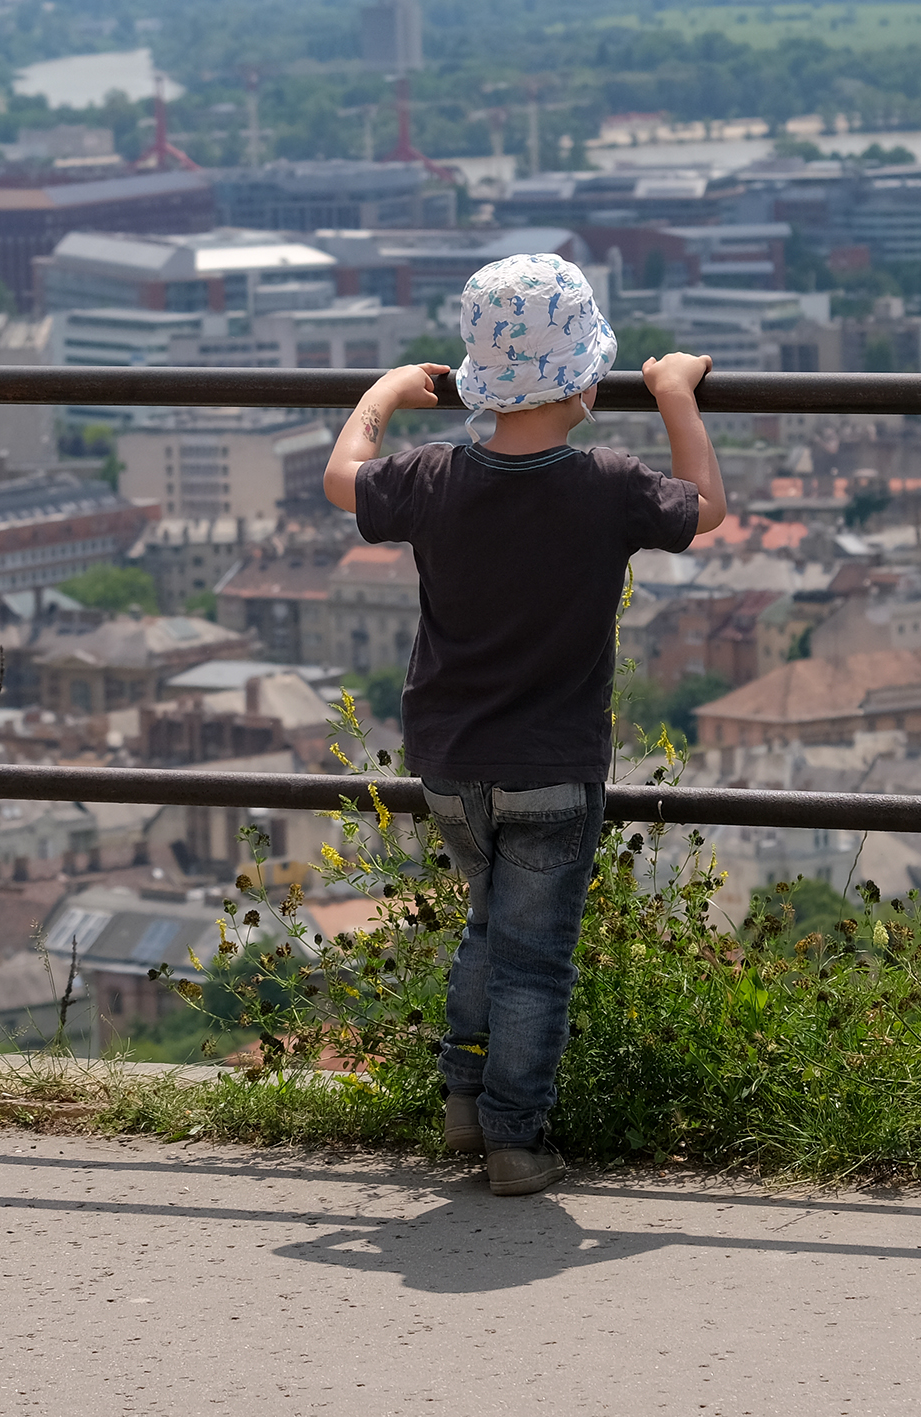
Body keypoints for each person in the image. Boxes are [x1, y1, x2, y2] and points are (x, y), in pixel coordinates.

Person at [323, 252, 725, 1196]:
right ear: (589, 378)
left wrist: (381, 392)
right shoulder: (608, 482)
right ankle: (515, 1137)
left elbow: (345, 478)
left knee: (485, 927)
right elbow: (706, 509)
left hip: (453, 763)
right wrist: (673, 392)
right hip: (555, 763)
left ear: (476, 381)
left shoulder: (430, 476)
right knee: (535, 959)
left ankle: (464, 1099)